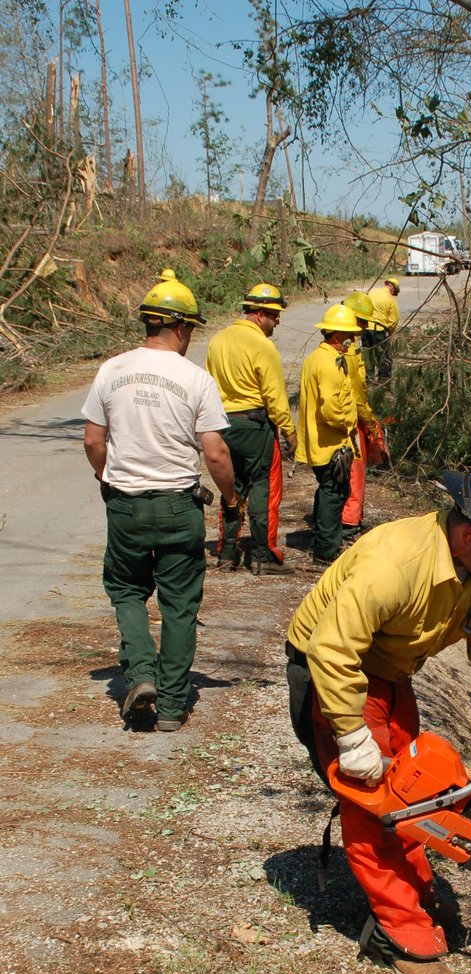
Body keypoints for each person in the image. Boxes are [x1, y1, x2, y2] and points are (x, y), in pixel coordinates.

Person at [285, 465, 471, 974]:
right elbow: (334, 648)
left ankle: (416, 891)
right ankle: (400, 931)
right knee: (374, 803)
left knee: (419, 790)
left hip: (389, 669)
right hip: (331, 665)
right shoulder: (396, 561)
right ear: (469, 533)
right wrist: (351, 733)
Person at [82, 272, 237, 732]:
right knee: (179, 605)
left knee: (127, 591)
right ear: (183, 328)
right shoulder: (195, 378)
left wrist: (108, 478)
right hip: (178, 507)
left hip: (125, 505)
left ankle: (141, 675)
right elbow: (214, 452)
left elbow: (93, 440)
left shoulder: (111, 370)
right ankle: (170, 707)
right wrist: (230, 499)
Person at [205, 283, 297, 575]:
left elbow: (208, 386)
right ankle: (262, 555)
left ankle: (227, 553)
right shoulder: (262, 346)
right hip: (255, 427)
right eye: (273, 315)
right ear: (259, 314)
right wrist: (288, 430)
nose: (277, 321)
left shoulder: (217, 341)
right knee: (263, 489)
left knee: (232, 487)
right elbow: (274, 395)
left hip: (223, 426)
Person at [296, 303, 363, 565]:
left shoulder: (316, 358)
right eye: (350, 337)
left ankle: (324, 541)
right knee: (333, 493)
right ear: (337, 337)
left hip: (321, 441)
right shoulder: (329, 363)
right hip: (330, 443)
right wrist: (347, 426)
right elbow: (332, 408)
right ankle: (326, 550)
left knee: (329, 490)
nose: (353, 341)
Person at [339, 290, 380, 540]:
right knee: (355, 470)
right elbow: (356, 393)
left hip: (344, 418)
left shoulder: (343, 347)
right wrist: (368, 419)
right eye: (362, 322)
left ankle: (347, 520)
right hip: (351, 420)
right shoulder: (350, 352)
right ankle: (349, 523)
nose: (364, 328)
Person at [362, 275, 400, 382]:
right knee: (383, 357)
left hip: (365, 329)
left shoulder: (371, 293)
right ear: (392, 288)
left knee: (367, 356)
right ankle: (383, 382)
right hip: (379, 330)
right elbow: (393, 321)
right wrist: (390, 333)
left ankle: (368, 380)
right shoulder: (390, 300)